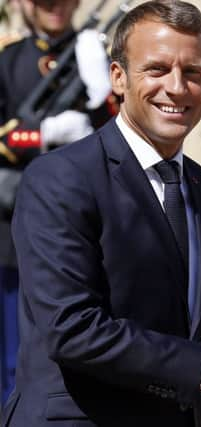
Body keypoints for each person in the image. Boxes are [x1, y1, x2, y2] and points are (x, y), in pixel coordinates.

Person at [1, 1, 201, 426]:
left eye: (193, 72)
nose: (177, 87)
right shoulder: (61, 178)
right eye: (156, 70)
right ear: (118, 78)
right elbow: (73, 329)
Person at [0, 0, 118, 406]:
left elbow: (122, 129)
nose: (55, 6)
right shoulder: (9, 58)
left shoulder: (98, 55)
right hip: (13, 229)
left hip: (86, 221)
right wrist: (43, 133)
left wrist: (102, 92)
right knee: (13, 358)